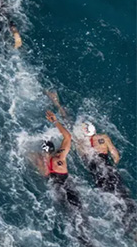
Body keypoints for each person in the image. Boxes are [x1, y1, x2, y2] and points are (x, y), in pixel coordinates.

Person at [48, 91, 136, 228]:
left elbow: (67, 122)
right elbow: (116, 156)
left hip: (97, 171)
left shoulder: (81, 143)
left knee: (114, 201)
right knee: (124, 196)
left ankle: (130, 230)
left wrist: (57, 104)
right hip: (110, 169)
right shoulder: (104, 138)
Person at [37, 108, 94, 247]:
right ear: (53, 149)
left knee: (71, 215)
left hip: (56, 189)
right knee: (79, 213)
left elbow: (43, 174)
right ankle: (87, 245)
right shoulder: (59, 157)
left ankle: (85, 246)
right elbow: (67, 137)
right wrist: (55, 121)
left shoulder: (43, 164)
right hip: (67, 188)